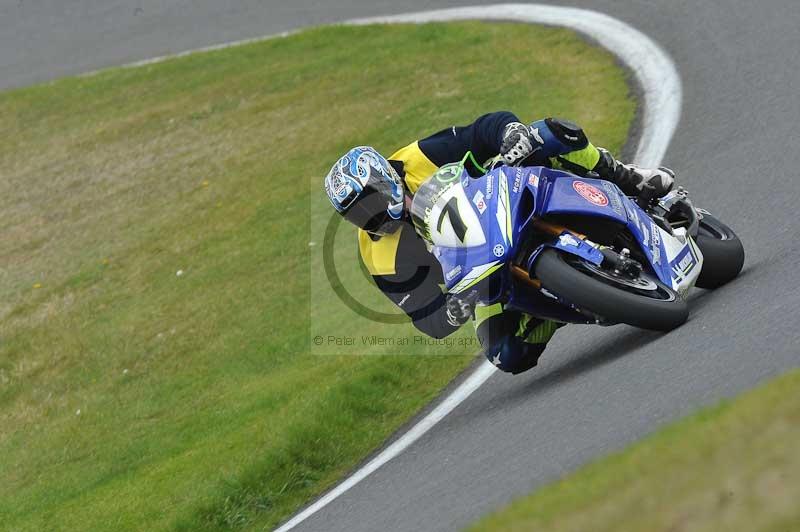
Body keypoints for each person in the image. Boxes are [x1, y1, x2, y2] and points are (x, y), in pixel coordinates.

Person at [323, 112, 675, 374]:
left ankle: (628, 178)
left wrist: (511, 134)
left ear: (385, 177)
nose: (369, 217)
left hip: (502, 200)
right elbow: (426, 317)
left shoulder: (418, 158)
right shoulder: (379, 256)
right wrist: (452, 311)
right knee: (506, 354)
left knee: (548, 133)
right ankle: (570, 300)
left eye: (369, 202)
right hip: (482, 276)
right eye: (356, 215)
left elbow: (483, 130)